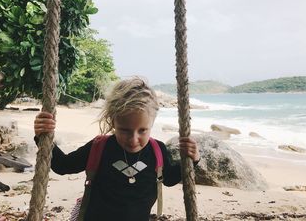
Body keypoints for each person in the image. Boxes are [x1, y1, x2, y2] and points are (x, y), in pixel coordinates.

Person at [34, 77, 200, 221]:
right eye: (125, 130)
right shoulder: (99, 147)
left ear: (152, 124)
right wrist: (43, 137)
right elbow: (63, 166)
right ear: (113, 122)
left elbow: (170, 179)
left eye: (142, 130)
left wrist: (193, 160)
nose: (134, 139)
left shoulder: (158, 150)